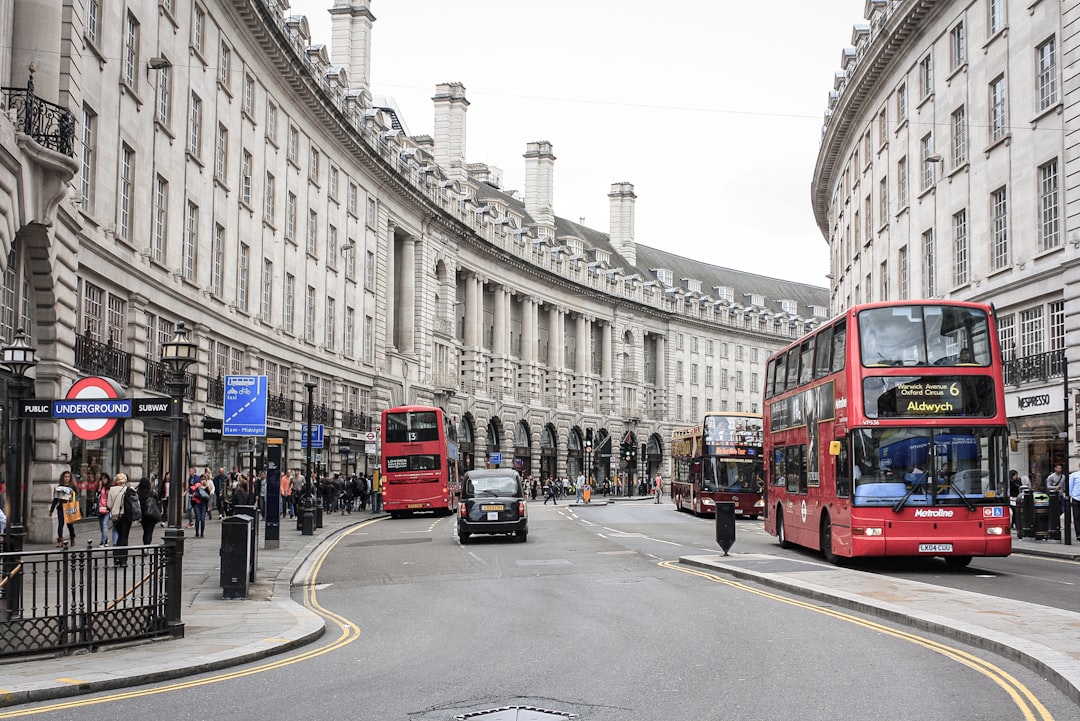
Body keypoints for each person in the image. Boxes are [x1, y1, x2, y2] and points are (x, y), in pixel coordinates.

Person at [107, 472, 136, 566]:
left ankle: (116, 558)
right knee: (124, 536)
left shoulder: (112, 489)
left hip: (116, 516)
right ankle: (123, 559)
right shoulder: (130, 489)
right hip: (126, 515)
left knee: (119, 535)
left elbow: (109, 505)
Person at [49, 471, 79, 548]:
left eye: (68, 477)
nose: (66, 478)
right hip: (61, 507)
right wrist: (51, 510)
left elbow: (77, 495)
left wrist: (72, 493)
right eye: (65, 477)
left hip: (69, 507)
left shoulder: (72, 486)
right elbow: (55, 499)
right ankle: (60, 541)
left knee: (70, 525)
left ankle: (72, 537)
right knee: (60, 524)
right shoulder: (60, 487)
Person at [136, 477, 160, 545]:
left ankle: (145, 546)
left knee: (145, 531)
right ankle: (147, 546)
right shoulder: (152, 492)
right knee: (149, 532)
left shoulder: (138, 492)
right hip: (151, 514)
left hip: (143, 515)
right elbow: (157, 502)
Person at [96, 472, 113, 546]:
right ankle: (105, 538)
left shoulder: (109, 488)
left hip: (107, 508)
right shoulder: (100, 487)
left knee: (104, 524)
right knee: (101, 526)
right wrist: (99, 486)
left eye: (105, 479)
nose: (103, 480)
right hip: (100, 508)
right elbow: (97, 496)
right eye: (102, 479)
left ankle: (103, 542)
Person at [1068, 466, 1080, 542]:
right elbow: (1070, 486)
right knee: (1077, 517)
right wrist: (1071, 496)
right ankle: (1078, 534)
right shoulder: (1074, 475)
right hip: (1076, 498)